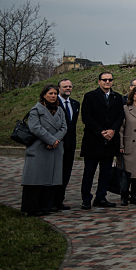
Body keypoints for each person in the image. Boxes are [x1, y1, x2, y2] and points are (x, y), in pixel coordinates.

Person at [80, 70, 125, 209]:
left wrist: (113, 130)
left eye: (110, 80)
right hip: (93, 140)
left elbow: (120, 116)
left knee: (106, 173)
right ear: (99, 81)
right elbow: (86, 117)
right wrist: (100, 131)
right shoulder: (90, 96)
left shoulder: (117, 97)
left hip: (110, 141)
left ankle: (101, 197)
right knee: (89, 172)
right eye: (104, 80)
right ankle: (86, 199)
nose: (107, 82)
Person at [21, 85, 68, 216]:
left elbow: (64, 127)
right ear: (44, 95)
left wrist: (55, 141)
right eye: (50, 93)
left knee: (50, 179)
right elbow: (35, 128)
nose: (53, 96)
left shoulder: (59, 110)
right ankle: (31, 208)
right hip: (39, 148)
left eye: (55, 94)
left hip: (55, 149)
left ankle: (46, 206)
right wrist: (51, 140)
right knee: (35, 179)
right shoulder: (36, 110)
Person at [55, 78, 79, 210]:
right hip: (56, 143)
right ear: (59, 88)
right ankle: (51, 199)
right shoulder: (53, 102)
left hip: (70, 144)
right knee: (55, 172)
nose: (68, 88)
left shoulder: (75, 104)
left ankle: (60, 199)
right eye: (65, 87)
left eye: (70, 86)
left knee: (66, 172)